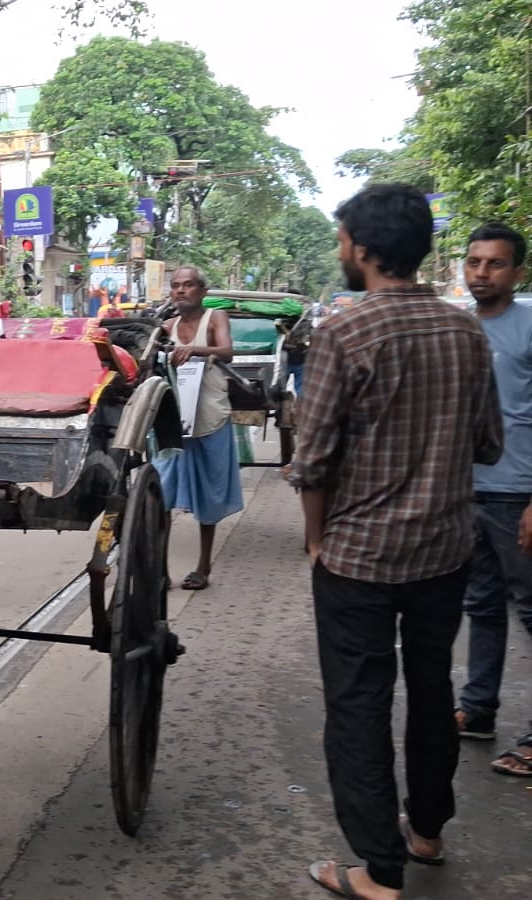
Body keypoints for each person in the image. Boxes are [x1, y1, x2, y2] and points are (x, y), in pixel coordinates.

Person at [294, 184, 501, 900]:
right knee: (431, 688)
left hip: (357, 556)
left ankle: (378, 870)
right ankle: (427, 832)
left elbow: (312, 459)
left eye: (344, 238)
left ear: (365, 248)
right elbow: (487, 443)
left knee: (358, 703)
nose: (342, 249)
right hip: (444, 550)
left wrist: (316, 540)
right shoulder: (466, 331)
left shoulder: (345, 333)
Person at [453, 222, 532, 777]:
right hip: (468, 492)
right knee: (481, 606)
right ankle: (478, 709)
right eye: (474, 262)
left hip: (519, 493)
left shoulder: (529, 326)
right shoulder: (459, 328)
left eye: (495, 263)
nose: (482, 273)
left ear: (517, 271)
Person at [153, 265, 242, 591]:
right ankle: (160, 570)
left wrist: (195, 350)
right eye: (175, 285)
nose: (180, 291)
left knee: (210, 494)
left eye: (188, 285)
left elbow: (227, 351)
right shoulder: (165, 326)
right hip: (173, 422)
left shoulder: (215, 318)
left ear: (202, 291)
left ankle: (203, 567)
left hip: (210, 417)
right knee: (160, 494)